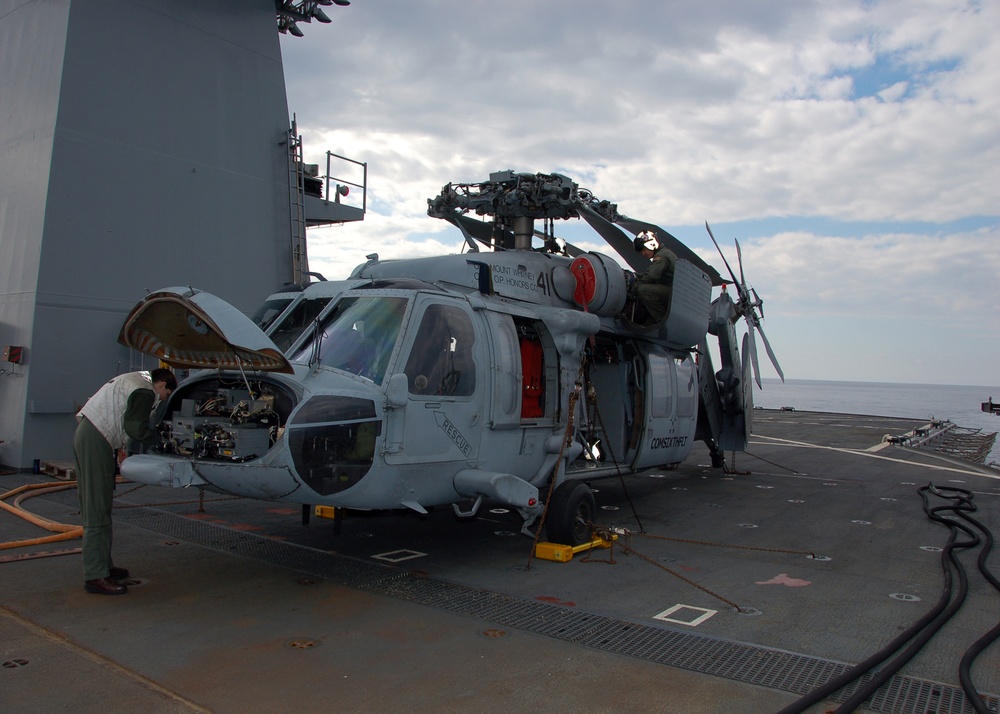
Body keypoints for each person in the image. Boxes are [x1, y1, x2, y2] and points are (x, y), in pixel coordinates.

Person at [73, 368, 176, 595]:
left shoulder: (134, 379)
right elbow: (135, 428)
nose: (162, 399)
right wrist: (161, 440)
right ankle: (95, 576)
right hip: (96, 439)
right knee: (97, 508)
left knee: (100, 505)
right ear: (161, 385)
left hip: (92, 434)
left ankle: (104, 567)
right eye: (165, 394)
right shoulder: (145, 390)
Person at [630, 231, 677, 325]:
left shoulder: (662, 256)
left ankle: (661, 322)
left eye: (644, 249)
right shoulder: (664, 253)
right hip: (673, 292)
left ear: (651, 244)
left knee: (643, 290)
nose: (643, 253)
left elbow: (651, 276)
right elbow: (651, 274)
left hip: (673, 294)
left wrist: (634, 289)